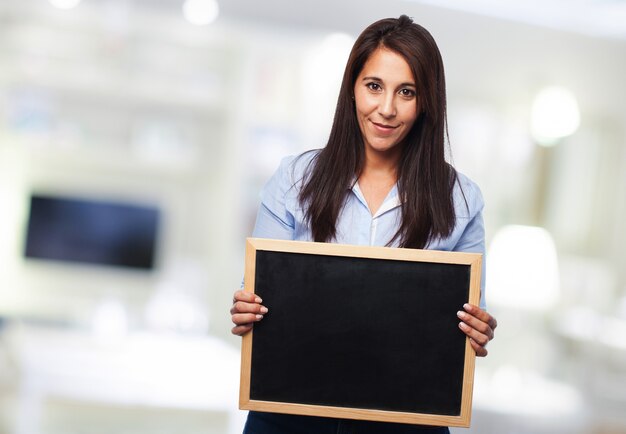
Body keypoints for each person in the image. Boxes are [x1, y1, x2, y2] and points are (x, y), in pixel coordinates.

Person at [230, 15, 497, 434]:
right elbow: (261, 297)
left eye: (406, 92)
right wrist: (248, 309)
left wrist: (477, 329)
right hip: (289, 414)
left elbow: (464, 324)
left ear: (427, 101)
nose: (386, 108)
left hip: (408, 420)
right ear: (352, 88)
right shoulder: (294, 178)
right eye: (374, 86)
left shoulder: (461, 199)